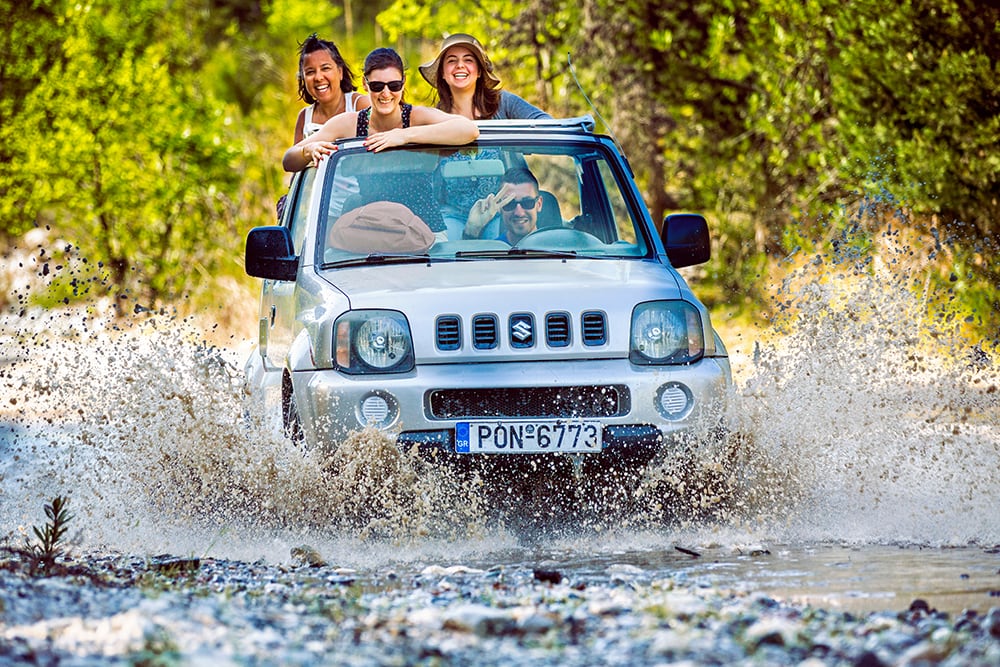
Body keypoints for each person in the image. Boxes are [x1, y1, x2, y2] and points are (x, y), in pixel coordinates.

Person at [282, 47, 479, 172]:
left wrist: (403, 136)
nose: (386, 93)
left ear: (403, 84)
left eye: (393, 85)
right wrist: (308, 151)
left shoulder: (416, 116)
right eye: (377, 86)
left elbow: (469, 130)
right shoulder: (349, 123)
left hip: (423, 225)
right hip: (367, 221)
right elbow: (289, 160)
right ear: (365, 85)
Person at [418, 33, 551, 121]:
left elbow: (547, 125)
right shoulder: (435, 117)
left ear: (480, 71)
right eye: (452, 60)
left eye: (468, 60)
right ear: (442, 73)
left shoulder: (504, 102)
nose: (460, 65)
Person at [293, 34, 370, 143]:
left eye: (325, 68)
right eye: (310, 72)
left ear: (340, 72)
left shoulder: (360, 105)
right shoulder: (304, 118)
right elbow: (293, 158)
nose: (318, 77)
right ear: (303, 78)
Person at [462, 168, 544, 245]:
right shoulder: (494, 252)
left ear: (539, 204)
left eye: (527, 203)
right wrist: (472, 229)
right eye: (509, 204)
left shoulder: (554, 249)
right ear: (499, 207)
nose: (519, 213)